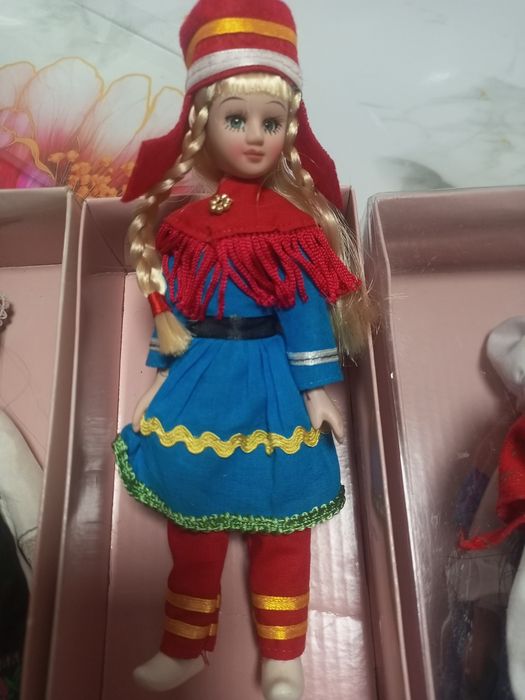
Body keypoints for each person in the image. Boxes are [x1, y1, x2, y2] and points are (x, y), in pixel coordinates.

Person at [113, 2, 372, 698]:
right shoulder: (189, 225)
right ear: (204, 123)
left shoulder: (291, 225)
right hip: (202, 376)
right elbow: (177, 310)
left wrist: (316, 389)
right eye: (237, 120)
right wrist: (157, 380)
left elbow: (305, 314)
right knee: (191, 525)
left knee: (283, 525)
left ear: (290, 129)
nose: (255, 137)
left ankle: (283, 657)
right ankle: (184, 645)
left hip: (269, 380)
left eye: (271, 122)